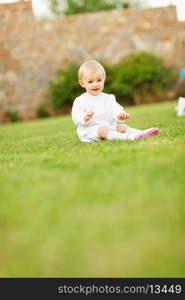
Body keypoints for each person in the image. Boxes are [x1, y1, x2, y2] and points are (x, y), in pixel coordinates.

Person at [71, 60, 159, 143]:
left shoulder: (109, 98)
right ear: (82, 83)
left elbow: (116, 108)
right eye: (90, 82)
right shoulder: (80, 101)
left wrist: (120, 114)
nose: (95, 84)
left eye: (99, 80)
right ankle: (130, 137)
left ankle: (141, 133)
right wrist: (84, 117)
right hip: (90, 131)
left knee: (121, 127)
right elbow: (76, 117)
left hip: (109, 127)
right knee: (103, 130)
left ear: (104, 79)